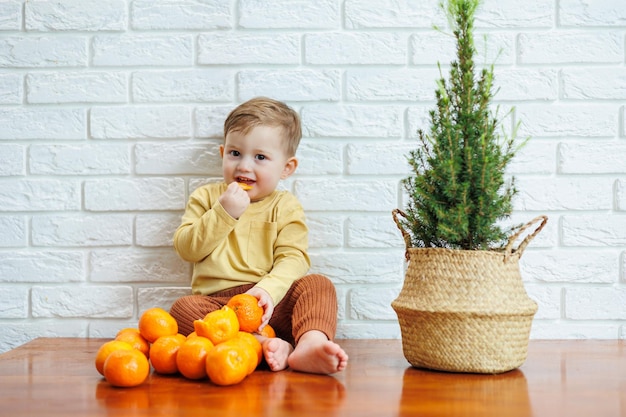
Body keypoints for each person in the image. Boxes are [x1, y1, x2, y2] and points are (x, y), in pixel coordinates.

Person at [169, 97, 348, 375]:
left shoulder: (285, 206)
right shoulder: (206, 198)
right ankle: (262, 345)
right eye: (235, 153)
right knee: (183, 309)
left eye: (260, 157)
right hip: (221, 308)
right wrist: (224, 213)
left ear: (287, 168)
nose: (244, 166)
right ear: (222, 153)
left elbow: (294, 258)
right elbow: (187, 249)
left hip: (270, 302)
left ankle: (310, 344)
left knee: (318, 285)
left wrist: (268, 291)